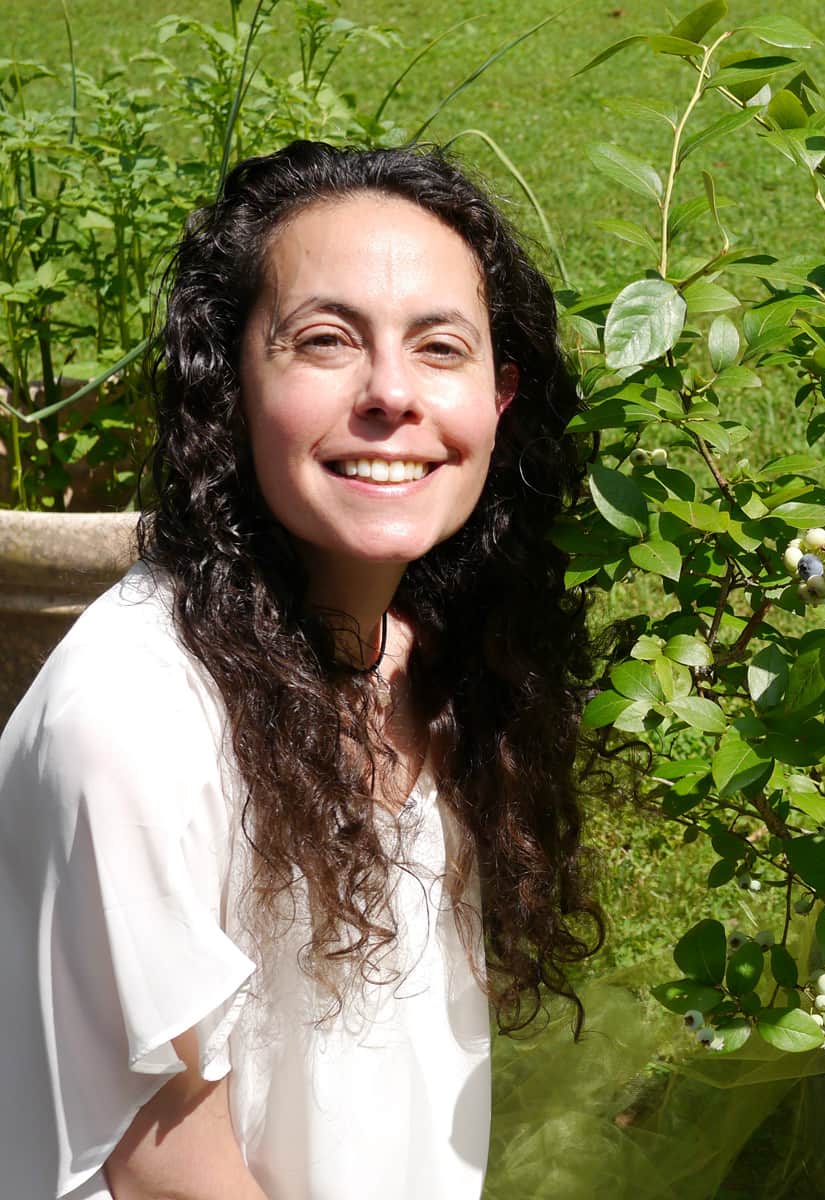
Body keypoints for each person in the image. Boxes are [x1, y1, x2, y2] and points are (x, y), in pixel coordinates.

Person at [0, 140, 605, 1199]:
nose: (391, 395)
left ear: (500, 397)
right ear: (228, 382)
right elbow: (167, 1172)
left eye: (440, 349)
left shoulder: (422, 654)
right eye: (325, 341)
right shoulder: (135, 719)